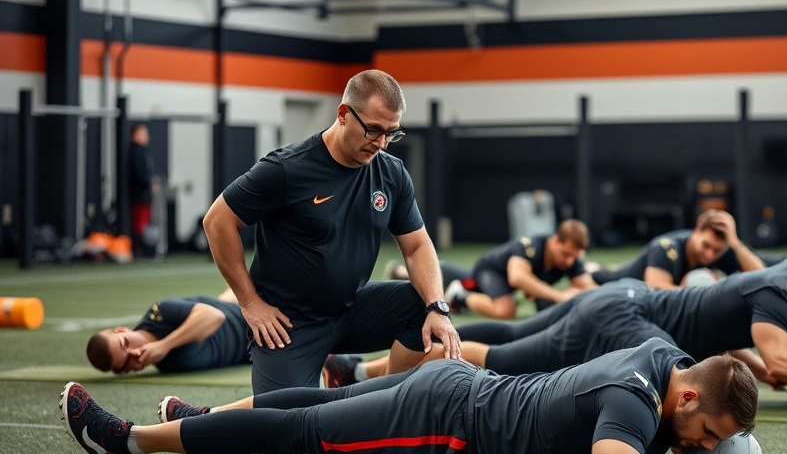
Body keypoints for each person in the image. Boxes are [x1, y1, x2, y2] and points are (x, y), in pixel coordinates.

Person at [60, 338, 765, 454]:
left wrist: (704, 445)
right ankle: (125, 445)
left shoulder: (666, 360)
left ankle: (198, 421)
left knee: (306, 404)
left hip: (456, 386)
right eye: (708, 429)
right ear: (689, 392)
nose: (703, 446)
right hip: (444, 429)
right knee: (297, 431)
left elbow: (673, 432)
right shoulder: (637, 402)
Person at [202, 69, 460, 399]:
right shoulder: (286, 169)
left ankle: (383, 401)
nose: (381, 143)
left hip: (351, 308)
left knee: (423, 307)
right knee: (282, 439)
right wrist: (250, 303)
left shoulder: (392, 174)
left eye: (391, 133)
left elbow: (417, 246)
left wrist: (438, 307)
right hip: (290, 324)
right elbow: (218, 221)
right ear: (343, 114)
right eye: (373, 130)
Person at [451, 259, 787, 418]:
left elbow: (756, 352)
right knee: (507, 360)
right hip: (628, 315)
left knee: (511, 341)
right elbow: (778, 363)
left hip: (624, 298)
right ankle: (427, 357)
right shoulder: (783, 295)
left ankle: (402, 356)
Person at [386, 219, 597, 319]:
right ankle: (460, 297)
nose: (569, 262)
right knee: (506, 310)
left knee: (457, 278)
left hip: (500, 283)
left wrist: (578, 291)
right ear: (555, 242)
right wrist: (560, 296)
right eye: (566, 255)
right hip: (491, 271)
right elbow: (517, 278)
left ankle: (401, 274)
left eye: (574, 257)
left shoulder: (571, 259)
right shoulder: (530, 246)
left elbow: (588, 287)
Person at [85, 288, 249, 375]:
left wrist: (163, 345)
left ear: (121, 330)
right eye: (127, 360)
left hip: (253, 320)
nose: (134, 352)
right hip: (253, 352)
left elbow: (214, 316)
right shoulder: (167, 367)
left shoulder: (159, 314)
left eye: (125, 343)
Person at [589, 210, 765, 288]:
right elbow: (655, 288)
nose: (710, 254)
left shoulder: (722, 250)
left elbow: (763, 277)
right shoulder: (666, 247)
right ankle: (593, 267)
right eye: (706, 245)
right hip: (620, 280)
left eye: (717, 250)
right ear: (696, 231)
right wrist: (705, 292)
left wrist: (735, 243)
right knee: (601, 276)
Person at [128, 123, 159, 259]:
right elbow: (139, 173)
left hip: (144, 196)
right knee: (139, 224)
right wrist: (149, 183)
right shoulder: (135, 152)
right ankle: (138, 251)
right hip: (139, 195)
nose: (147, 137)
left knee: (144, 224)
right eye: (143, 134)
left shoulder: (143, 152)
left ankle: (145, 250)